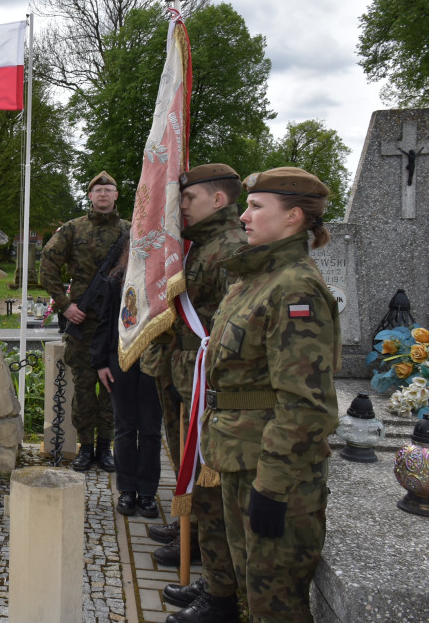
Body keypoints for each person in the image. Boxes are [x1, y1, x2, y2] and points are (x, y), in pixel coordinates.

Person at [200, 167, 340, 623]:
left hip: (271, 471)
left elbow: (306, 403)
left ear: (294, 217)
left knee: (274, 606)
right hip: (241, 456)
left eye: (257, 207)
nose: (244, 216)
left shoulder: (296, 287)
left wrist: (273, 486)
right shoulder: (257, 276)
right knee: (250, 592)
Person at [160, 164, 248, 622]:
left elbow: (233, 328)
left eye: (188, 197)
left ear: (218, 200)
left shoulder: (230, 247)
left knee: (213, 494)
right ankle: (214, 582)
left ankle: (221, 596)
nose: (182, 206)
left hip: (210, 387)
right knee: (204, 491)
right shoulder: (205, 245)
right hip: (192, 379)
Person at [40, 171, 130, 472]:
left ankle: (106, 448)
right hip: (83, 323)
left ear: (116, 195)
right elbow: (47, 267)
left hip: (118, 324)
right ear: (90, 196)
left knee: (112, 389)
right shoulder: (72, 229)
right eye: (98, 190)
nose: (103, 194)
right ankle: (86, 448)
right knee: (83, 388)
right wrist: (65, 307)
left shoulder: (131, 232)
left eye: (109, 189)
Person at [89, 235, 162, 517]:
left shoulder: (166, 277)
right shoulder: (117, 278)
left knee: (151, 429)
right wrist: (100, 363)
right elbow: (105, 323)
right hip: (120, 359)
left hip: (154, 361)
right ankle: (127, 490)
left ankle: (147, 493)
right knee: (125, 427)